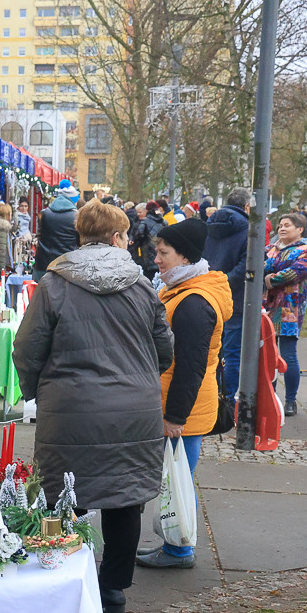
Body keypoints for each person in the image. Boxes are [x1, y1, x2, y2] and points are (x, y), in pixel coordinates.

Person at [13, 199, 173, 613]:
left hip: (71, 408)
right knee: (126, 499)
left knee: (66, 495)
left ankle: (64, 575)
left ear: (80, 236)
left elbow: (27, 348)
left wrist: (35, 392)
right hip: (133, 409)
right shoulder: (141, 286)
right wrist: (139, 378)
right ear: (118, 237)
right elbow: (164, 348)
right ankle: (113, 588)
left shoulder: (54, 284)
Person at [135, 218, 232, 569]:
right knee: (176, 477)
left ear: (186, 257)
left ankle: (178, 550)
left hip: (183, 409)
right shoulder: (184, 288)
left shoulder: (193, 301)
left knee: (177, 480)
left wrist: (175, 417)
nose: (156, 259)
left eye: (163, 253)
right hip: (182, 403)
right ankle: (176, 545)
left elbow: (190, 366)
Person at [263, 213, 307, 416]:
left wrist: (269, 278)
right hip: (267, 308)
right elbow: (258, 267)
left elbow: (294, 273)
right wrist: (270, 272)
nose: (282, 228)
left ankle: (290, 401)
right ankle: (271, 398)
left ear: (300, 229)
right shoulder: (270, 248)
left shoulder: (306, 251)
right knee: (268, 356)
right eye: (280, 225)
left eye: (287, 225)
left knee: (288, 355)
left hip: (289, 311)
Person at [204, 187, 252, 405]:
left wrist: (214, 283)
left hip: (209, 293)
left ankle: (211, 396)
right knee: (233, 354)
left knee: (212, 351)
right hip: (237, 299)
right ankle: (227, 400)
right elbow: (247, 266)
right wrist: (226, 282)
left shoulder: (209, 224)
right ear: (247, 206)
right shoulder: (249, 229)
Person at [33, 183, 79, 282]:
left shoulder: (45, 213)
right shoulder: (76, 216)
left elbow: (40, 236)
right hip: (66, 265)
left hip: (43, 264)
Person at [132, 200, 166, 279]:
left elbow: (139, 235)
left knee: (148, 276)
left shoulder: (145, 221)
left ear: (147, 210)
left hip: (147, 252)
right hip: (160, 251)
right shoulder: (164, 221)